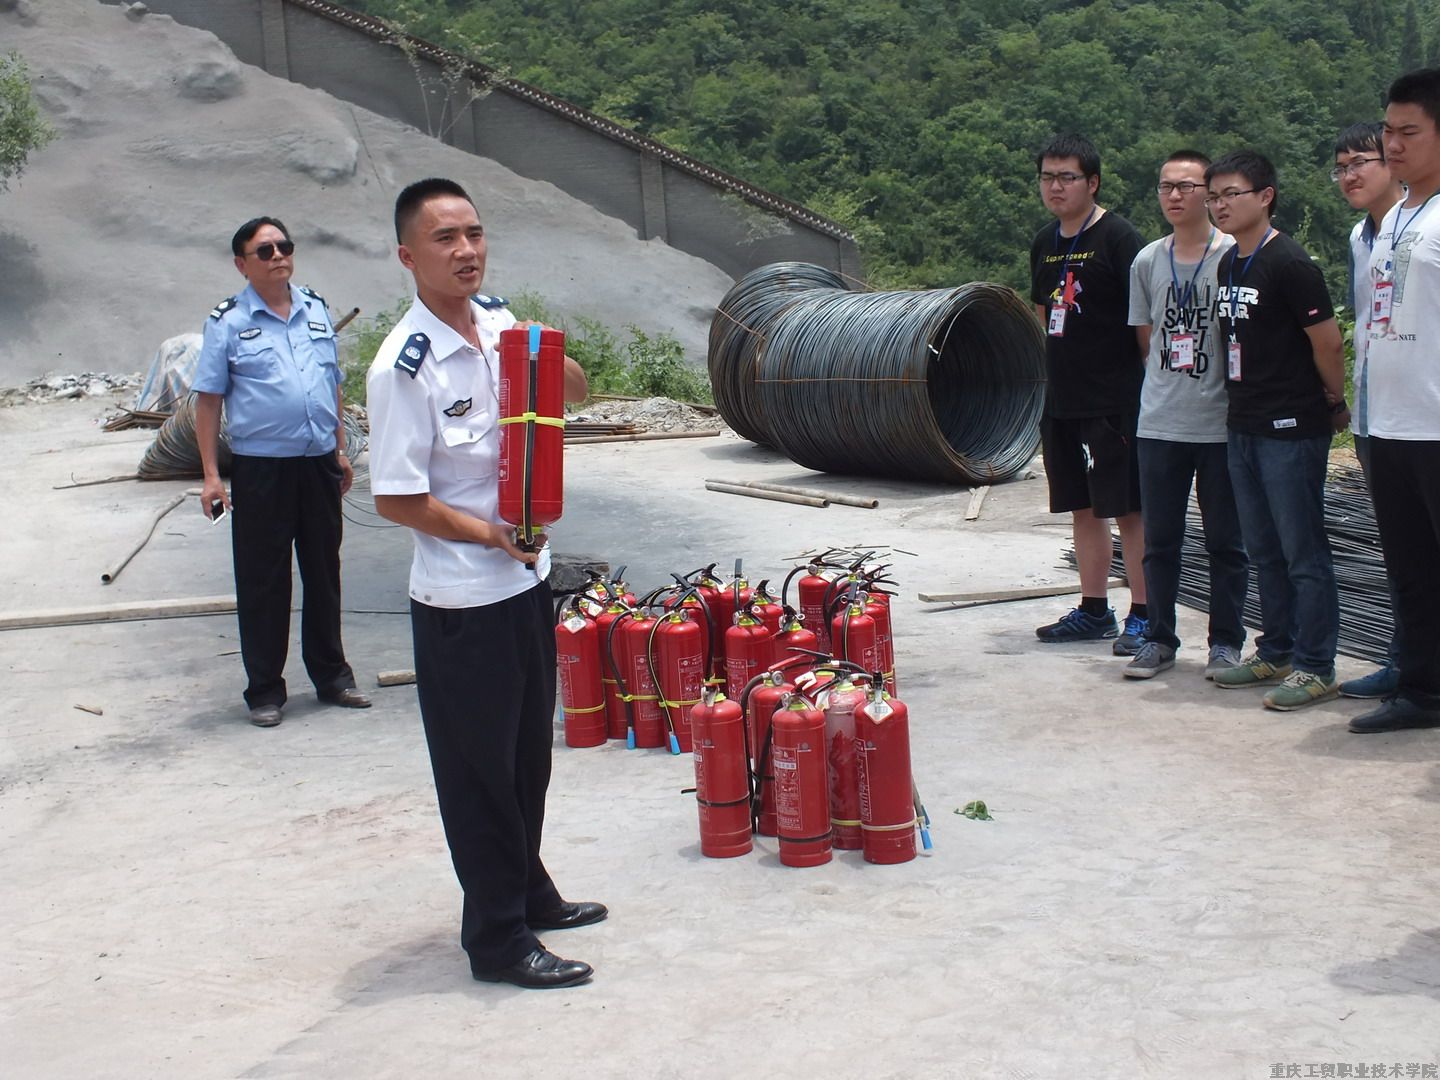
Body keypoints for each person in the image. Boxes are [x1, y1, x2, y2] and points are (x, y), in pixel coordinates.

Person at [366, 178, 602, 987]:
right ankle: (497, 940)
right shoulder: (406, 365)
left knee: (528, 755)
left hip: (523, 583)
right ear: (409, 256)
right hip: (462, 598)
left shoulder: (502, 323)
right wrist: (488, 537)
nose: (466, 250)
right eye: (445, 239)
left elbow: (572, 397)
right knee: (479, 778)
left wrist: (551, 361)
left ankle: (528, 890)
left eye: (474, 233)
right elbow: (397, 496)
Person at [193, 217, 370, 728]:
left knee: (323, 572)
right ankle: (265, 690)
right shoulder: (227, 321)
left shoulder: (314, 307)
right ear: (241, 263)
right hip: (261, 469)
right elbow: (208, 402)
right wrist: (210, 476)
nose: (277, 256)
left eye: (283, 246)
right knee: (263, 580)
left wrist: (339, 450)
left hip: (317, 464)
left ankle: (333, 676)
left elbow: (330, 382)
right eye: (264, 250)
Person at [1205, 151, 1349, 711]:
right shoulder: (1227, 264)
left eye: (1231, 194)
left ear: (1265, 196)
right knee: (1263, 548)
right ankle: (1276, 650)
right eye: (1214, 196)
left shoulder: (1289, 263)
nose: (1220, 205)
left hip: (1291, 427)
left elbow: (1329, 341)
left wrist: (1332, 401)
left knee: (1302, 551)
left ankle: (1317, 665)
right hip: (1243, 421)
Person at [1122, 151, 1248, 680]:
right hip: (1160, 422)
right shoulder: (1148, 260)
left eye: (1187, 186)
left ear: (1209, 193)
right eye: (1165, 186)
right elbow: (1146, 339)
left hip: (1222, 423)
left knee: (1226, 541)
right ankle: (1159, 638)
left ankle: (1225, 643)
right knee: (1161, 540)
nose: (1174, 196)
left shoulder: (1235, 255)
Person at [1028, 133, 1149, 654]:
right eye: (1048, 177)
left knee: (1130, 511)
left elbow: (1144, 321)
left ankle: (1143, 614)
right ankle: (1094, 609)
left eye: (1067, 177)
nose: (1056, 187)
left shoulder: (1120, 239)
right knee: (1083, 509)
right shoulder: (1043, 242)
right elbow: (1043, 315)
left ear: (1092, 182)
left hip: (1116, 399)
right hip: (1065, 399)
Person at [1349, 68, 1440, 733]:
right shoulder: (1395, 216)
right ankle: (1423, 691)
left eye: (1410, 132)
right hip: (1388, 423)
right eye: (1390, 130)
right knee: (1411, 569)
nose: (1395, 145)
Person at [1330, 122, 1406, 701]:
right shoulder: (1361, 236)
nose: (1351, 175)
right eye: (1341, 166)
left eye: (1362, 162)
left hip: (1425, 415)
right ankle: (1406, 660)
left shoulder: (1426, 226)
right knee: (1400, 549)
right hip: (1375, 416)